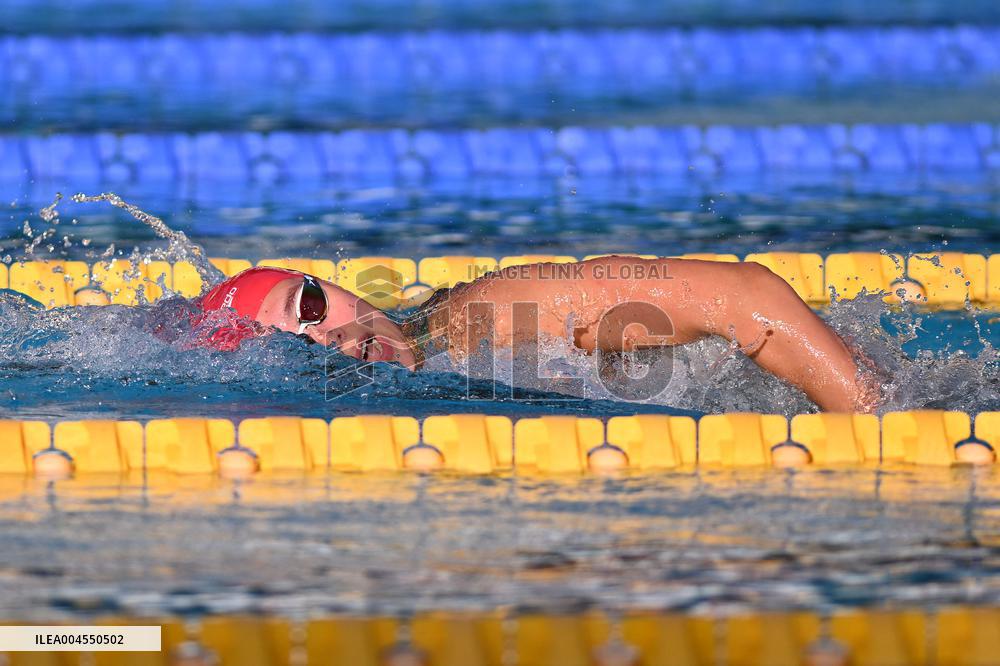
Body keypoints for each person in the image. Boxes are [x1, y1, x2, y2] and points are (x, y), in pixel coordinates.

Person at [195, 257, 879, 413]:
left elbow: (743, 295)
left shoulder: (480, 316)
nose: (332, 340)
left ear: (331, 283)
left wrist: (868, 424)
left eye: (310, 306)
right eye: (293, 344)